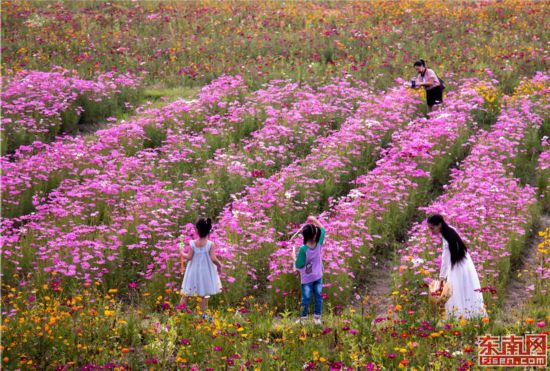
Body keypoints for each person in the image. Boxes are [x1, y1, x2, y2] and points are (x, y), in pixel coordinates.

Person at [427, 214, 487, 320]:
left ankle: (459, 318)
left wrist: (441, 278)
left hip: (457, 267)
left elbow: (445, 261)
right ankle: (472, 316)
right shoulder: (451, 230)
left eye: (432, 228)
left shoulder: (446, 238)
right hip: (465, 264)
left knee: (455, 292)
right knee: (466, 289)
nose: (431, 231)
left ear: (439, 225)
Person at [180, 217, 223, 313]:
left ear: (196, 230)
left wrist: (181, 252)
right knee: (204, 295)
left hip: (193, 271)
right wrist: (219, 265)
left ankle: (179, 313)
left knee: (186, 293)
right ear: (209, 230)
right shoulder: (210, 244)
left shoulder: (193, 243)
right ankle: (202, 316)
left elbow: (189, 257)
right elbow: (213, 259)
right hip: (206, 272)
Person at [293, 215, 325, 325]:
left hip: (307, 279)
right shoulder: (319, 244)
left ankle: (303, 319)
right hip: (318, 276)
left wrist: (293, 256)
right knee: (318, 297)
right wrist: (314, 220)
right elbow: (323, 229)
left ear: (304, 236)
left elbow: (299, 264)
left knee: (306, 299)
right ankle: (317, 318)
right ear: (315, 234)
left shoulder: (303, 249)